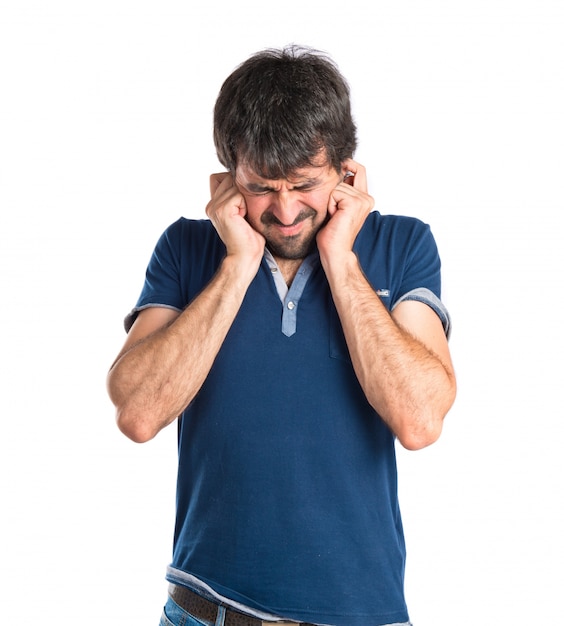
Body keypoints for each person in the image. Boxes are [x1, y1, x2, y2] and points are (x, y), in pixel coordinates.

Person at [107, 45, 456, 626]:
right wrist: (237, 265)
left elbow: (420, 421)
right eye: (262, 187)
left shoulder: (403, 245)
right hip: (208, 610)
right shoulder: (188, 249)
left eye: (304, 184)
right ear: (226, 180)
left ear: (346, 172)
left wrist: (341, 259)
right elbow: (138, 413)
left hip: (358, 615)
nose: (287, 210)